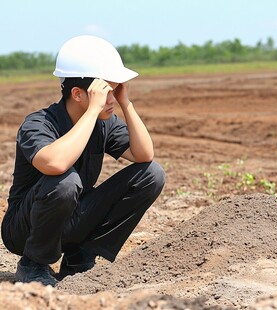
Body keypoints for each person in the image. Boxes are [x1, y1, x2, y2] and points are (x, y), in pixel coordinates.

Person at [1, 35, 165, 287]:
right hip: (25, 229)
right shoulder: (38, 123)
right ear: (77, 94)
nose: (110, 99)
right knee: (65, 181)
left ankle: (80, 256)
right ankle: (33, 264)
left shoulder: (104, 122)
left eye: (114, 90)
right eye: (105, 92)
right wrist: (92, 111)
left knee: (151, 174)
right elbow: (54, 164)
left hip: (73, 218)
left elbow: (144, 155)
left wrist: (125, 102)